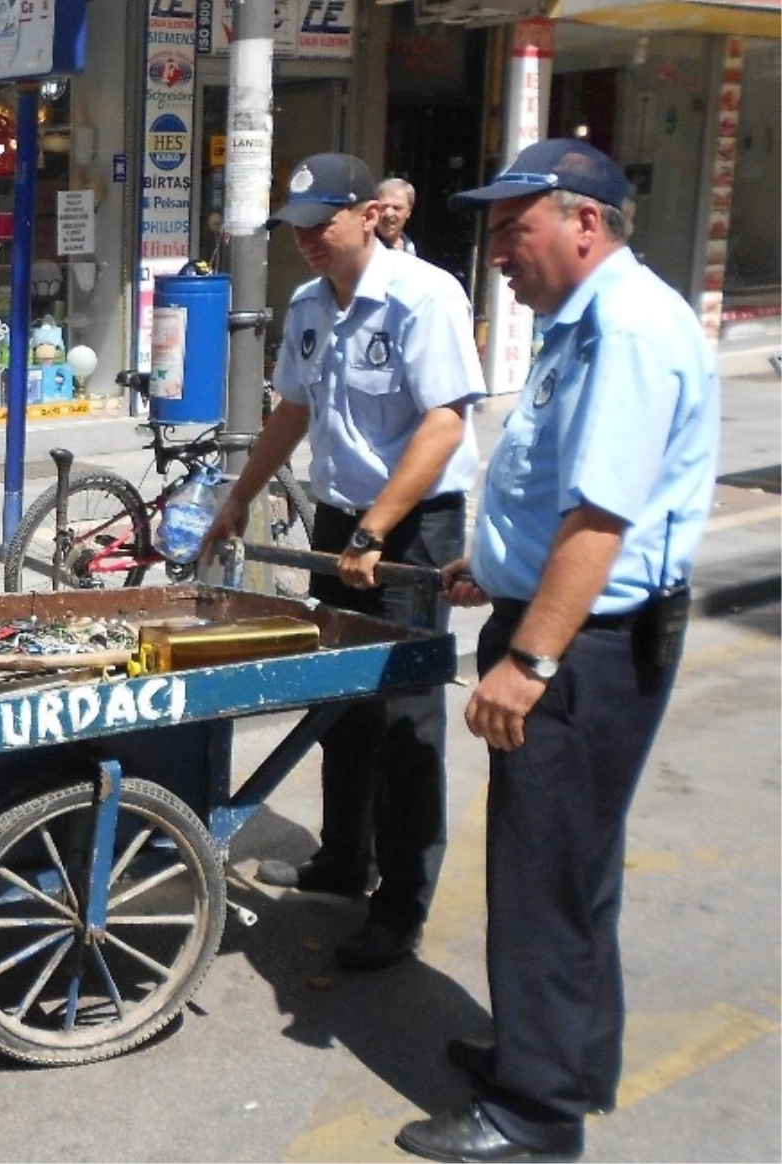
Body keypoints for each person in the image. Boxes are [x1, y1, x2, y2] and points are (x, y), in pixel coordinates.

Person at [395, 139, 719, 1161]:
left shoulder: (625, 331)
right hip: (565, 622)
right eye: (491, 231)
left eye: (513, 228)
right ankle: (565, 1059)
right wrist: (493, 570)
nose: (496, 249)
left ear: (585, 221)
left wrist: (526, 661)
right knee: (572, 869)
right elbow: (555, 503)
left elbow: (600, 521)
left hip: (584, 650)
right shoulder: (583, 325)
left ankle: (534, 1117)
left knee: (543, 875)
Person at [207, 153, 485, 971]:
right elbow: (293, 409)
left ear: (369, 214)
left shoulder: (424, 297)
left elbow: (444, 425)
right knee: (341, 704)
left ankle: (400, 906)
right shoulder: (305, 306)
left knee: (403, 719)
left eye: (320, 222)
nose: (307, 240)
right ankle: (343, 860)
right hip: (341, 519)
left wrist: (376, 532)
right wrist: (238, 498)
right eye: (296, 226)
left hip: (412, 526)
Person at [376, 177, 417, 254]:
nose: (388, 213)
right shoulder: (365, 248)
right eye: (383, 207)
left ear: (409, 211)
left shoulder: (409, 247)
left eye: (396, 208)